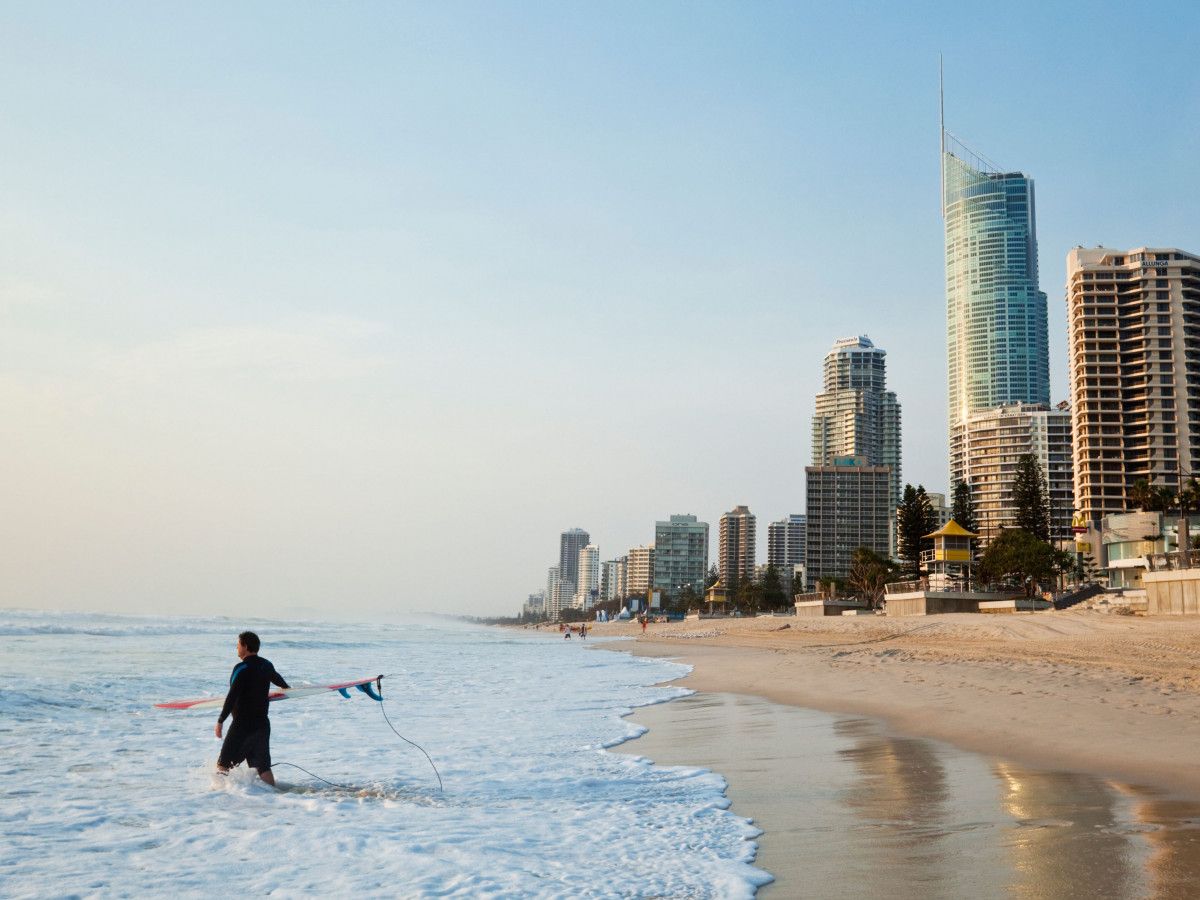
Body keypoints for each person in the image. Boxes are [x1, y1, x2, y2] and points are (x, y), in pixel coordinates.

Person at [215, 631, 289, 786]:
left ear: (245, 646)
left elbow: (232, 696)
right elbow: (280, 681)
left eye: (238, 645)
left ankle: (219, 797)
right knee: (263, 768)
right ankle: (277, 797)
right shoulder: (266, 665)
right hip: (262, 724)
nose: (236, 648)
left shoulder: (241, 668)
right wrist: (287, 688)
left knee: (223, 765)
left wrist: (221, 720)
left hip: (241, 726)